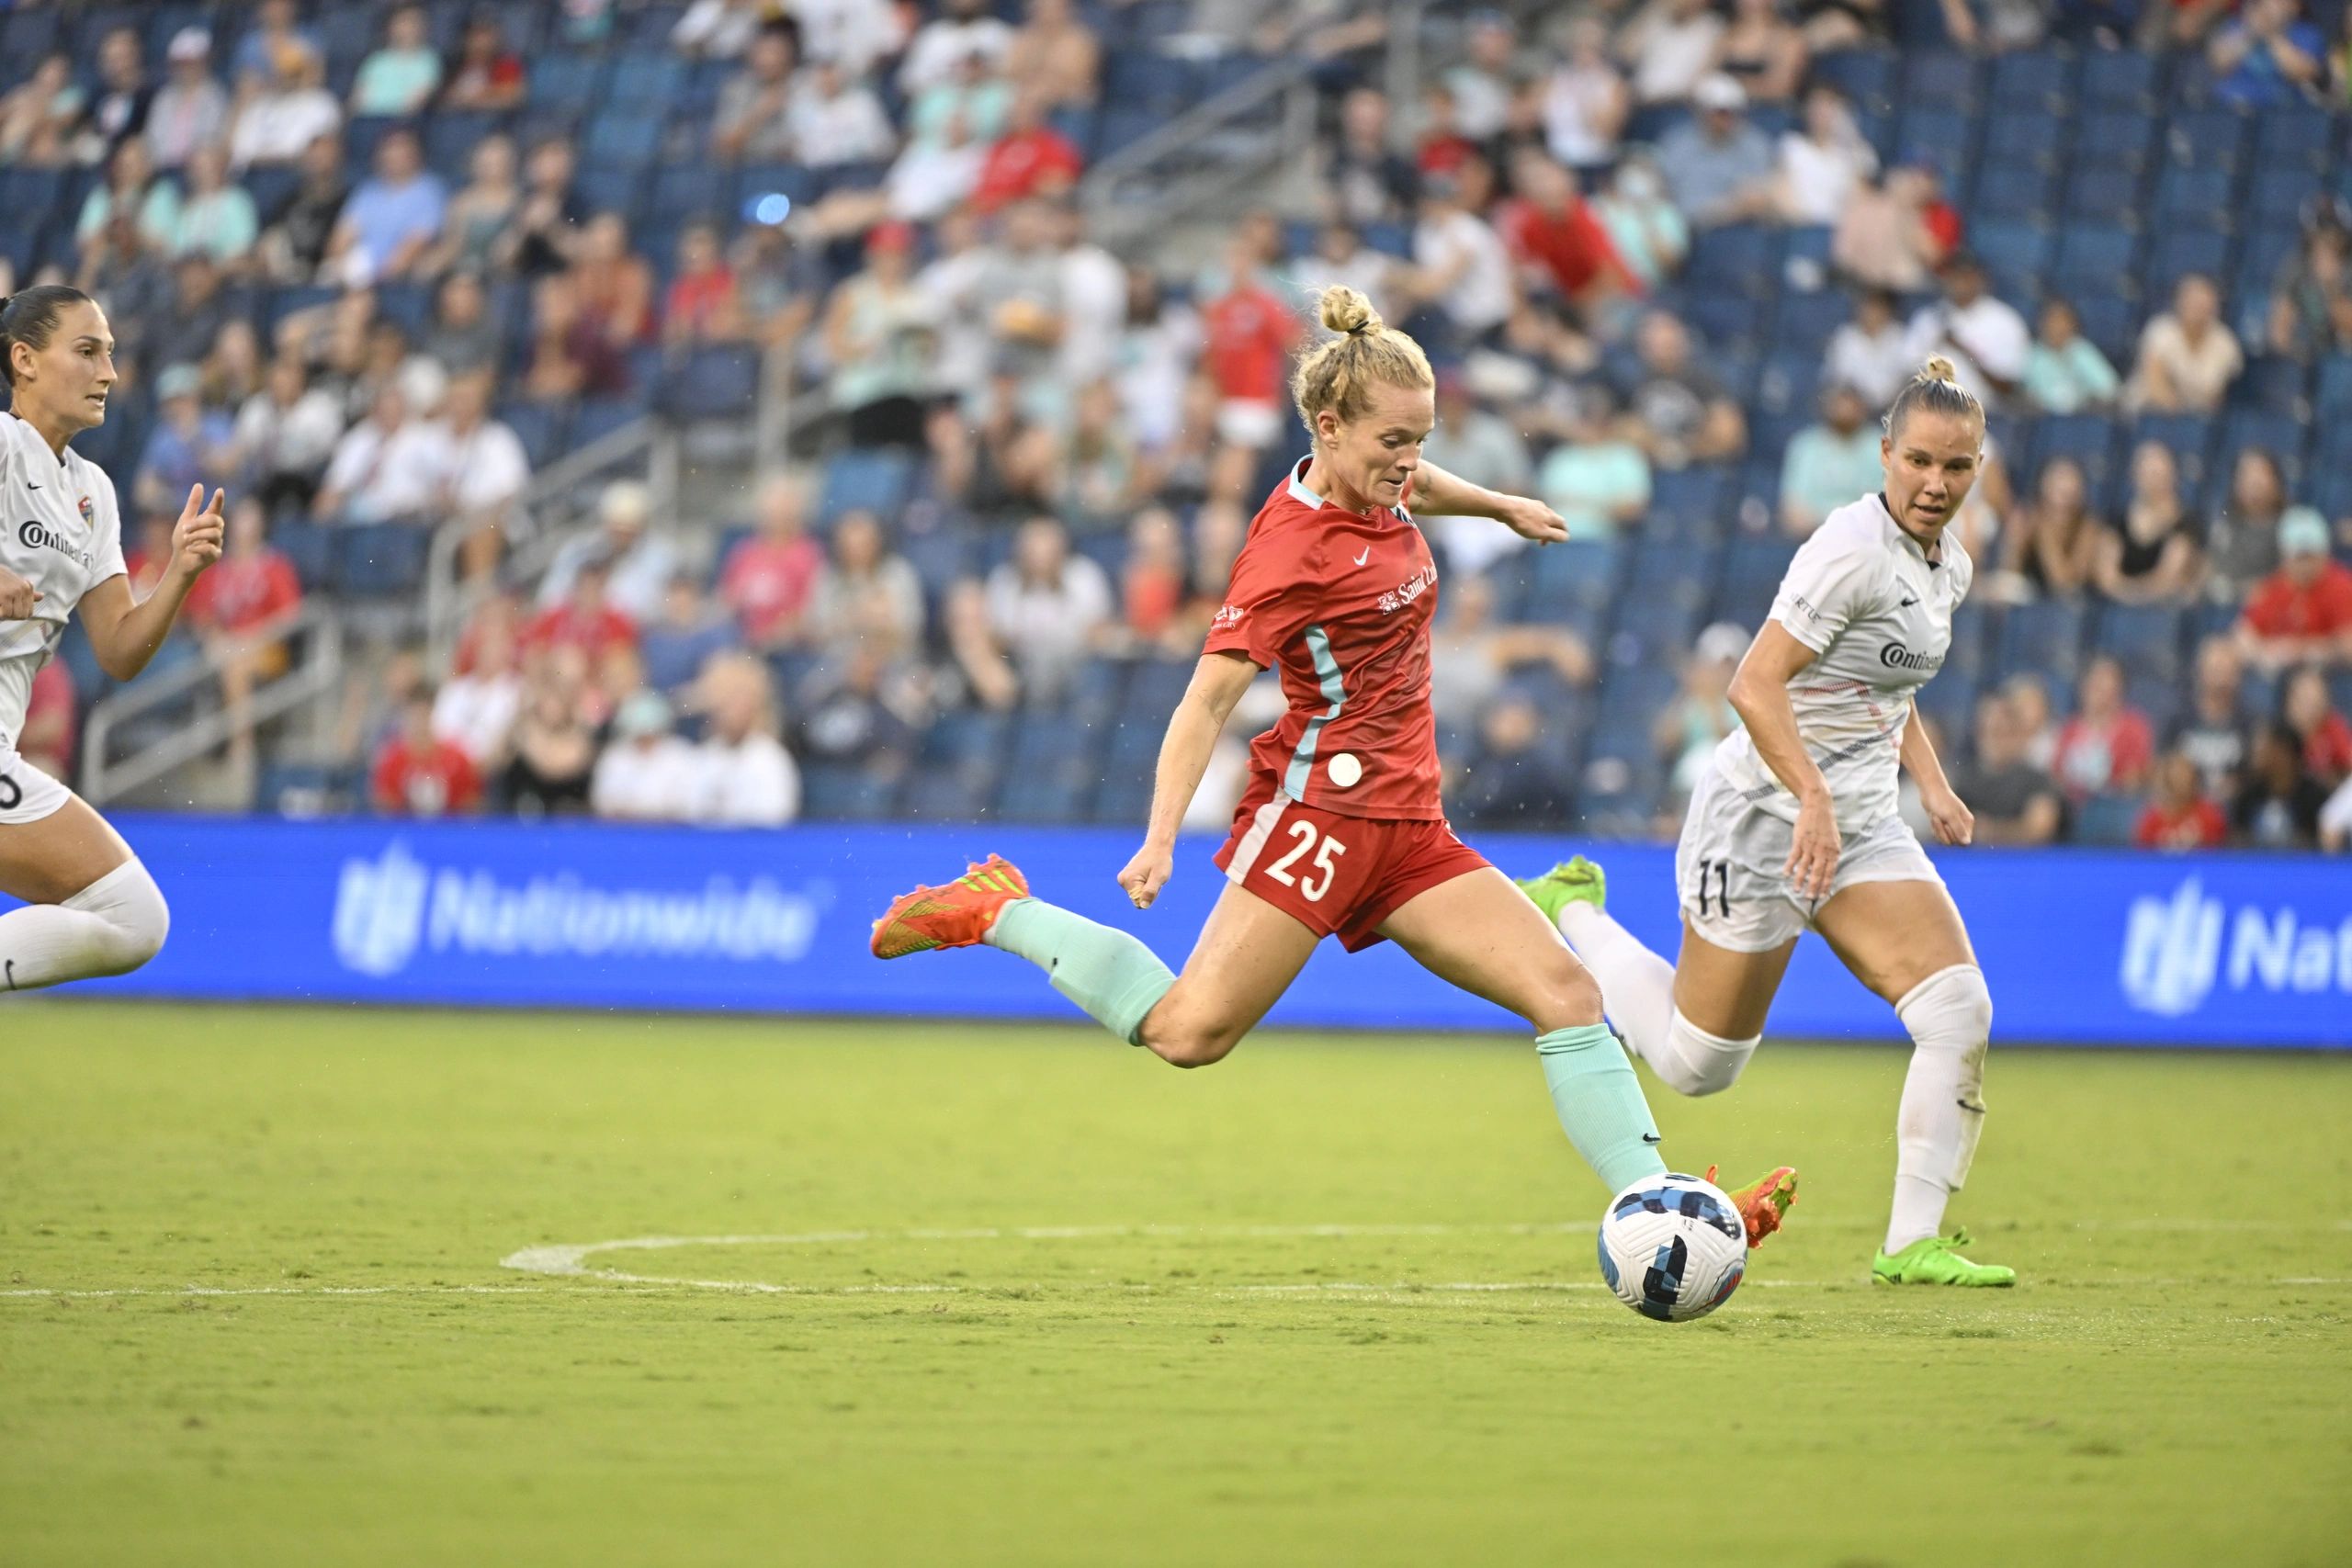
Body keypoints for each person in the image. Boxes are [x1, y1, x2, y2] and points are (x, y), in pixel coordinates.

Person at [870, 284, 1801, 1253]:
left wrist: (1498, 506)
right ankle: (994, 909)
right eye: (1393, 443)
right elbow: (1204, 703)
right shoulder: (1286, 555)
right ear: (1327, 428)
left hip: (1409, 831)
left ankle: (1666, 1213)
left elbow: (1421, 487)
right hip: (1318, 818)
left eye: (1419, 439)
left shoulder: (1373, 478)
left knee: (1568, 996)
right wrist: (1157, 842)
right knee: (1191, 1033)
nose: (1409, 462)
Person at [1518, 357, 2015, 1287]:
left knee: (1957, 1009)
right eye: (1917, 462)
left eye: (1955, 468)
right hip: (1759, 821)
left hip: (1858, 824)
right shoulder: (1848, 550)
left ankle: (1911, 1244)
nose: (1934, 483)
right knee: (1697, 1065)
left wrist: (1933, 786)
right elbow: (1754, 683)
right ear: (1883, 454)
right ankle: (1572, 911)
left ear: (1977, 468)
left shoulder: (1948, 567)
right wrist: (1813, 799)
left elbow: (1881, 687)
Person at [0, 287, 220, 994]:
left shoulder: (91, 492)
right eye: (88, 351)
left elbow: (120, 650)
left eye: (113, 355)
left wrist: (181, 573)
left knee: (132, 918)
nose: (110, 373)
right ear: (24, 360)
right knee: (132, 915)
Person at [2236, 507, 2352, 671]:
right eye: (2299, 557)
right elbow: (2243, 635)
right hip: (2280, 679)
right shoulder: (2275, 585)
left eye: (2310, 556)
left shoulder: (2342, 585)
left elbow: (2349, 646)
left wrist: (2302, 651)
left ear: (2324, 554)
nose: (2304, 565)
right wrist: (2264, 653)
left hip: (2329, 676)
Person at [2093, 440, 2204, 605]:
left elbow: (2167, 579)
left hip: (2165, 615)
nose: (2154, 481)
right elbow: (2106, 579)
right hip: (2120, 611)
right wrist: (2133, 594)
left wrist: (2127, 590)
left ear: (2173, 477)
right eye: (2148, 473)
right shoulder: (2116, 524)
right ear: (2134, 475)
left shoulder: (2186, 525)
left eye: (2160, 475)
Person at [2126, 273, 2243, 414]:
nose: (2198, 308)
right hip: (2149, 412)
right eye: (2192, 302)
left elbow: (2217, 395)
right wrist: (2181, 418)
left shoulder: (2225, 342)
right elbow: (2155, 384)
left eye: (2203, 303)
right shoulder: (2161, 330)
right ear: (2180, 302)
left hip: (2198, 420)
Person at [2052, 655, 2154, 801]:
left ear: (2119, 688)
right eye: (2092, 678)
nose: (2096, 684)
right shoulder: (2070, 728)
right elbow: (2057, 774)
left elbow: (2135, 778)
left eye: (2104, 679)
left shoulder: (2133, 727)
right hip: (2069, 805)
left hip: (2110, 806)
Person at [2135, 750, 2228, 850]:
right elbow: (2143, 857)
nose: (2180, 782)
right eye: (2176, 777)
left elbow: (2218, 856)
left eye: (2185, 776)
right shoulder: (2151, 820)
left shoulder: (2210, 816)